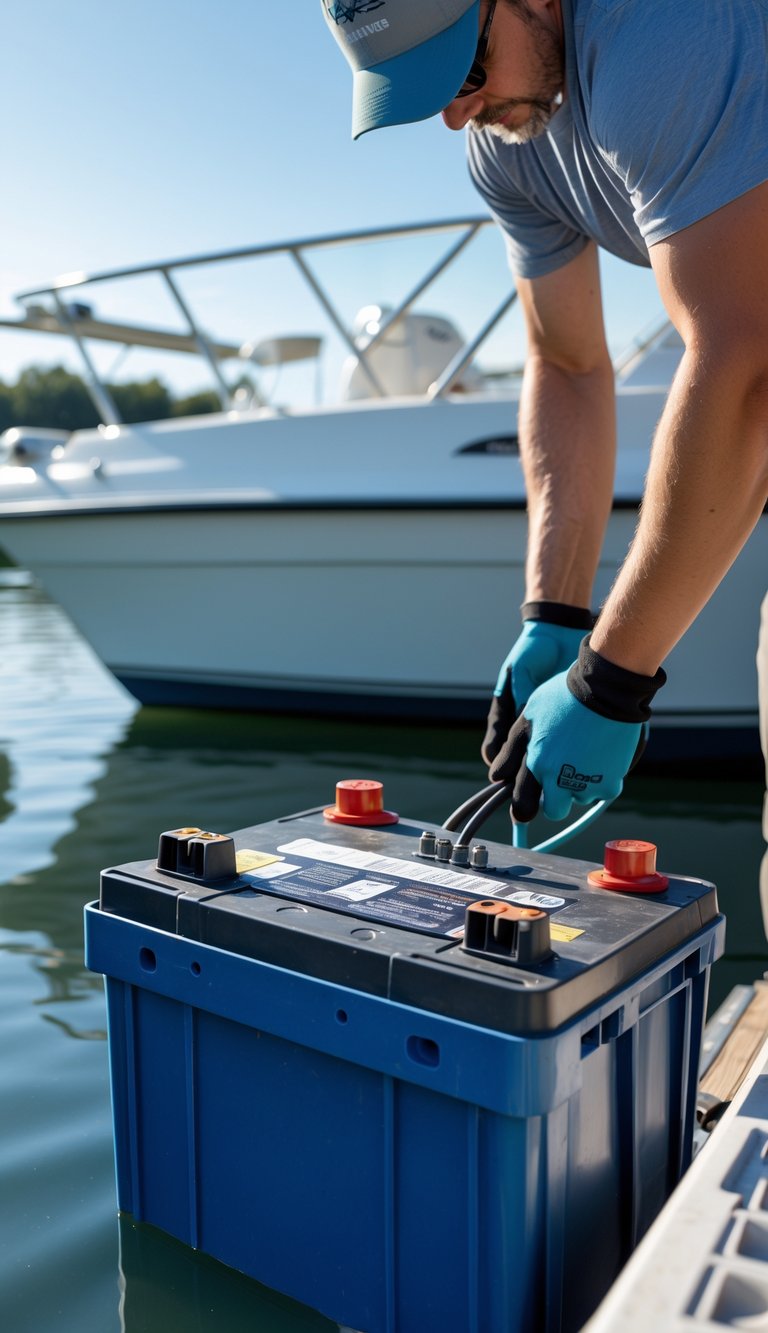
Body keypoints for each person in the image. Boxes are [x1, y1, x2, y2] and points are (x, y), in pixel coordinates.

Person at [322, 0, 768, 824]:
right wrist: (556, 616)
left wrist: (611, 680)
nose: (458, 113)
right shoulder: (504, 148)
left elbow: (747, 365)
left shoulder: (661, 40)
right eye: (421, 93)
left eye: (463, 68)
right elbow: (566, 365)